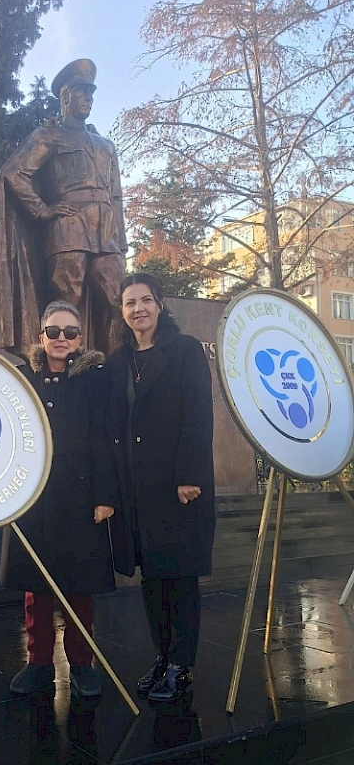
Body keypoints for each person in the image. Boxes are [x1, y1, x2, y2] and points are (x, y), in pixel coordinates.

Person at [99, 273, 215, 703]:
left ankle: (182, 664)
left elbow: (198, 416)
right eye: (130, 303)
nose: (138, 309)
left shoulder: (184, 350)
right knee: (152, 577)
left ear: (160, 305)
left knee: (179, 576)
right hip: (136, 491)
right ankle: (163, 656)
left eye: (145, 300)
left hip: (176, 487)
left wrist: (190, 475)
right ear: (122, 311)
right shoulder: (118, 362)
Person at [6, 300, 116, 699]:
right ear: (42, 337)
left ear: (80, 338)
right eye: (53, 331)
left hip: (80, 494)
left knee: (78, 584)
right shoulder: (21, 378)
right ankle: (38, 662)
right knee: (36, 584)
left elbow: (105, 436)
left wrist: (105, 494)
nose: (61, 339)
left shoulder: (96, 379)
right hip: (33, 495)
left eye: (69, 332)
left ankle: (81, 664)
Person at [0, 59, 127, 356]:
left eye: (91, 93)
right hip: (67, 230)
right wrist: (41, 209)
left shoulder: (105, 145)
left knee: (119, 301)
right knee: (68, 307)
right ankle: (67, 371)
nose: (89, 98)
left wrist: (120, 241)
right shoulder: (48, 136)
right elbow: (13, 174)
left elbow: (116, 195)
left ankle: (116, 371)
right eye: (82, 91)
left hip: (105, 231)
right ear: (65, 96)